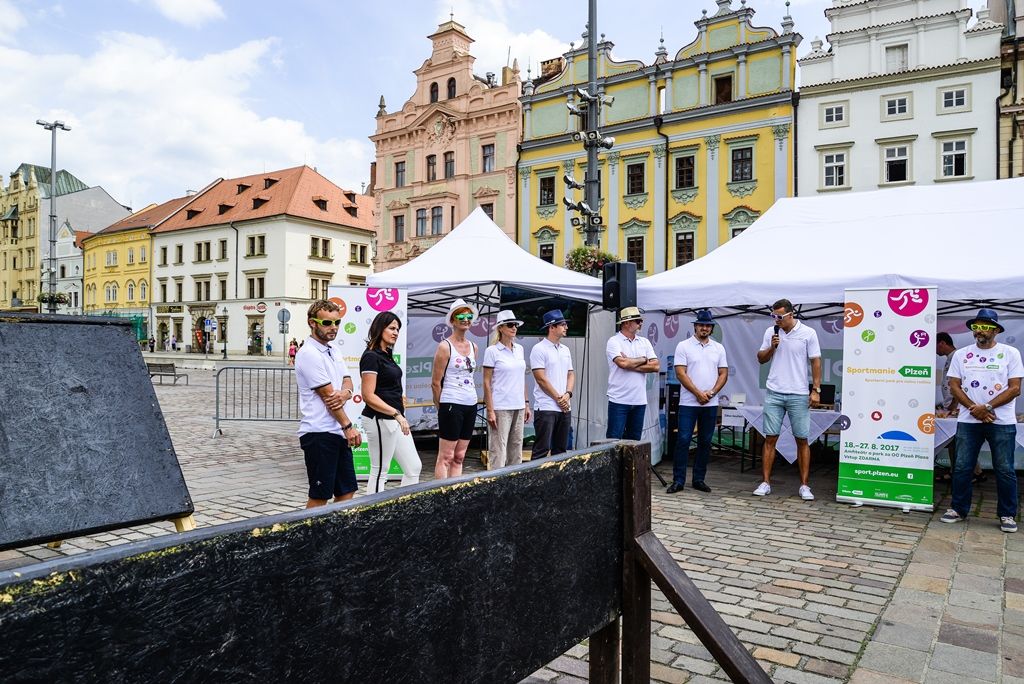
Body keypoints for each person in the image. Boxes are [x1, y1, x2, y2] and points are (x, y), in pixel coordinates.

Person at [940, 308, 1022, 533]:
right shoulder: (961, 354)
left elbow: (1015, 388)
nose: (980, 331)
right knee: (962, 466)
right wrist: (973, 409)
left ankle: (1007, 514)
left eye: (986, 327)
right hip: (969, 420)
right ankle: (958, 508)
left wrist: (986, 407)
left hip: (1001, 421)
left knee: (1004, 469)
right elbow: (954, 385)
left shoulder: (1010, 353)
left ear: (996, 330)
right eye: (977, 327)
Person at [294, 299, 362, 508]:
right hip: (319, 432)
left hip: (336, 431)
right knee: (320, 496)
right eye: (327, 323)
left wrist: (346, 392)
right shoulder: (309, 354)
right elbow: (328, 397)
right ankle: (308, 539)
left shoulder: (333, 349)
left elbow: (347, 379)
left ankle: (335, 537)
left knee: (347, 490)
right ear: (312, 323)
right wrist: (348, 426)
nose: (333, 328)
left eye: (337, 322)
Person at [753, 298, 822, 500]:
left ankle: (804, 486)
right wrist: (772, 347)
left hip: (799, 393)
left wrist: (816, 389)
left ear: (792, 314)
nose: (776, 320)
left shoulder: (808, 333)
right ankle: (765, 482)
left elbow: (816, 361)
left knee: (802, 439)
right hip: (774, 391)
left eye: (780, 316)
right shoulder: (771, 332)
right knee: (770, 438)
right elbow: (761, 358)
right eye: (773, 316)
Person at [361, 311, 422, 494]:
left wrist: (399, 401)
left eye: (398, 329)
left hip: (395, 419)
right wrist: (395, 413)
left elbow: (386, 386)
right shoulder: (371, 356)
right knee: (380, 471)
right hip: (379, 419)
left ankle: (402, 512)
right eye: (392, 328)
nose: (396, 332)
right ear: (380, 328)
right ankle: (372, 517)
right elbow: (368, 395)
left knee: (413, 468)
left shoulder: (387, 354)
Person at [668, 310, 728, 494]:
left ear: (711, 328)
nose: (704, 328)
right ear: (695, 326)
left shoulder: (718, 348)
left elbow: (723, 373)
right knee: (684, 440)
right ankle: (678, 480)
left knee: (705, 441)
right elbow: (680, 373)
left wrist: (711, 393)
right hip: (688, 402)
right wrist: (697, 393)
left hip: (709, 402)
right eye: (701, 325)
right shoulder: (683, 346)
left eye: (708, 325)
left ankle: (699, 479)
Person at [431, 298, 480, 481]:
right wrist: (441, 407)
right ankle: (440, 496)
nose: (466, 319)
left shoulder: (474, 346)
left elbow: (471, 375)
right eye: (461, 315)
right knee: (446, 457)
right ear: (452, 320)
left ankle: (455, 496)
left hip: (470, 403)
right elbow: (436, 382)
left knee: (459, 457)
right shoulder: (445, 346)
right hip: (451, 403)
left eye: (469, 316)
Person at [482, 310, 532, 469]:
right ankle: (496, 484)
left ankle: (514, 483)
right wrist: (490, 410)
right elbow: (486, 382)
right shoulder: (492, 351)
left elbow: (521, 378)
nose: (514, 328)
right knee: (499, 448)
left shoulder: (520, 349)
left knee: (516, 447)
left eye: (516, 325)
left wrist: (526, 403)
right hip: (500, 406)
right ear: (501, 328)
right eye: (510, 325)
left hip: (518, 404)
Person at [606, 306, 660, 440]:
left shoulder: (644, 341)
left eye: (640, 320)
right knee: (614, 440)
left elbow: (656, 366)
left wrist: (630, 363)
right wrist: (643, 359)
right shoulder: (614, 341)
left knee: (634, 441)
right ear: (626, 323)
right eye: (637, 321)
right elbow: (622, 364)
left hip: (639, 400)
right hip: (619, 399)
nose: (640, 323)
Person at [530, 309, 575, 459]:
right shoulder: (539, 349)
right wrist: (559, 399)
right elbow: (541, 379)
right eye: (562, 324)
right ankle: (535, 482)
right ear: (552, 327)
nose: (566, 327)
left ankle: (558, 482)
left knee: (561, 451)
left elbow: (571, 374)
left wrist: (567, 395)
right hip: (546, 407)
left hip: (564, 406)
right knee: (541, 450)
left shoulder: (565, 349)